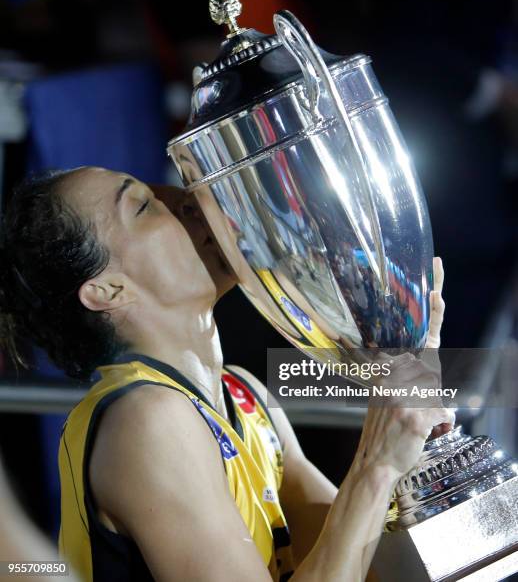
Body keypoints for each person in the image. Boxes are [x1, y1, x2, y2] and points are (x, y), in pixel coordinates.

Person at [0, 166, 453, 582]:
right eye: (143, 205)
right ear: (107, 290)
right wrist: (376, 465)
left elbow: (364, 567)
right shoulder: (146, 419)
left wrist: (410, 405)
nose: (192, 202)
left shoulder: (244, 394)